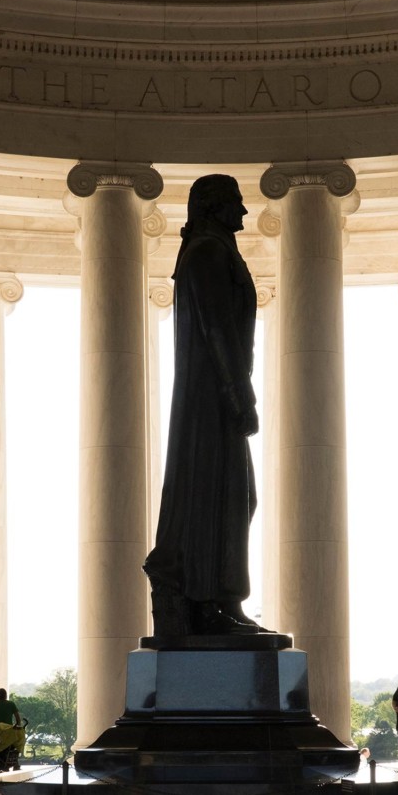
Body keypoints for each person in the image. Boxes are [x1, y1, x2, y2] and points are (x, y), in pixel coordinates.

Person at [143, 174, 266, 637]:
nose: (244, 211)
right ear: (214, 207)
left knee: (235, 496)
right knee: (221, 496)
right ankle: (210, 602)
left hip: (213, 396)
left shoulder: (209, 252)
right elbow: (219, 331)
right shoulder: (208, 254)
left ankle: (219, 599)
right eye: (236, 202)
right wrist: (240, 396)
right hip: (211, 400)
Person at [0, 687, 25, 766]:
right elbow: (18, 718)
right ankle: (15, 763)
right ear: (5, 695)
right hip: (9, 731)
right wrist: (18, 726)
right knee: (13, 746)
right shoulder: (11, 704)